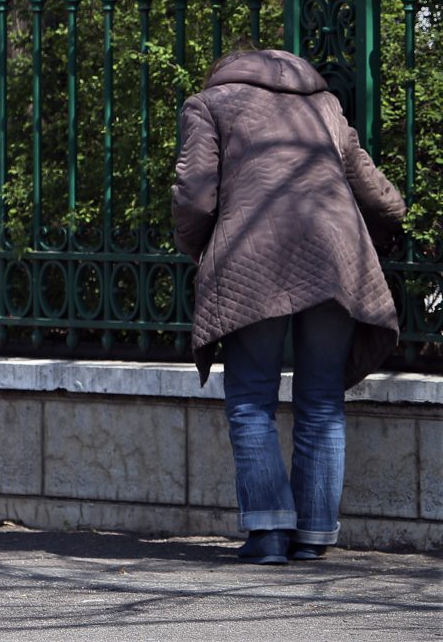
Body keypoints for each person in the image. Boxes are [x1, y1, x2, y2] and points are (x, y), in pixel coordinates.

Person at [171, 48, 406, 565]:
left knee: (252, 396)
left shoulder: (209, 104)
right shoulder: (323, 105)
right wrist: (390, 227)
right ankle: (314, 534)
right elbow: (377, 193)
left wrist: (202, 250)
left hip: (253, 255)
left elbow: (193, 196)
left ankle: (268, 533)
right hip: (335, 257)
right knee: (321, 400)